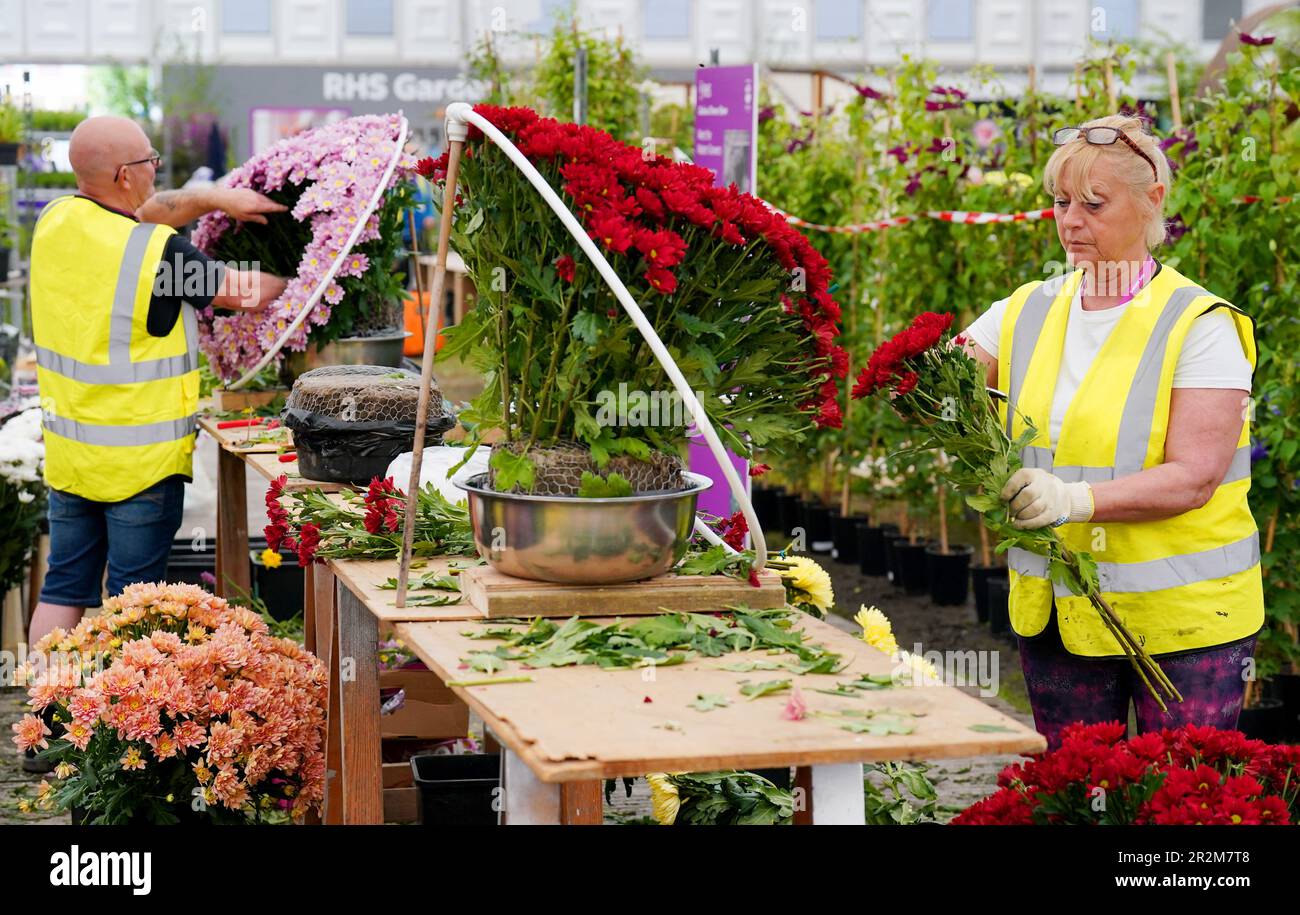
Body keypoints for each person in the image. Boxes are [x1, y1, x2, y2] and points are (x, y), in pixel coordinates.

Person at [959, 114, 1261, 750]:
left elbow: (1197, 476)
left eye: (1094, 204)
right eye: (1061, 202)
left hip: (1184, 624)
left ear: (1151, 202)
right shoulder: (1026, 308)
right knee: (1073, 791)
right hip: (1062, 615)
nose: (1071, 222)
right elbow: (934, 379)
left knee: (1173, 806)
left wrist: (1073, 500)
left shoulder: (1198, 322)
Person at [27, 115, 287, 664]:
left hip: (73, 456)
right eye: (150, 162)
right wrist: (313, 273)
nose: (156, 171)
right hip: (141, 466)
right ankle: (126, 732)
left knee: (64, 588)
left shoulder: (56, 220)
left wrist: (217, 198)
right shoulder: (158, 254)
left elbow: (148, 209)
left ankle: (45, 715)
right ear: (126, 175)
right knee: (134, 603)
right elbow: (243, 291)